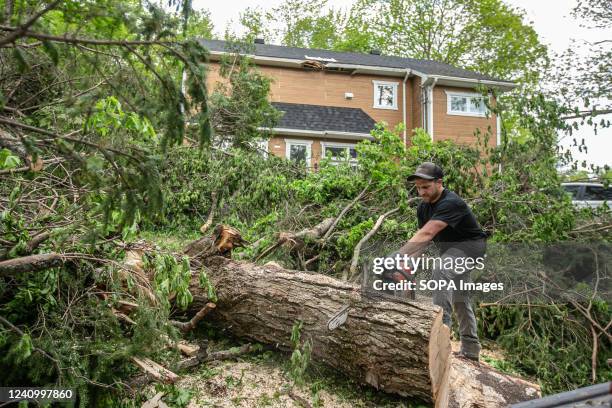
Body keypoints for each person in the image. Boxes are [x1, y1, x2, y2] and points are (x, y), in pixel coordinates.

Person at [397, 162, 487, 361]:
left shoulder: (451, 202)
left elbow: (428, 232)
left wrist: (396, 257)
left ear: (439, 183)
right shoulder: (423, 208)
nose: (421, 192)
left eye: (426, 187)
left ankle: (441, 334)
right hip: (451, 251)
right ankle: (471, 349)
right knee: (460, 298)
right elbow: (423, 242)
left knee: (441, 269)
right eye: (418, 187)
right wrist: (407, 268)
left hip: (471, 248)